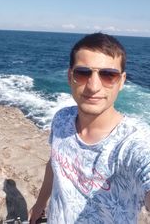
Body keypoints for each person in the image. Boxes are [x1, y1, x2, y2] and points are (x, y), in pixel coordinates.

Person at [30, 33, 150, 224]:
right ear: (70, 77)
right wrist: (39, 204)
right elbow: (54, 163)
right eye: (83, 73)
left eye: (108, 75)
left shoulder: (134, 142)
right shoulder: (62, 119)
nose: (94, 86)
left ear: (122, 81)